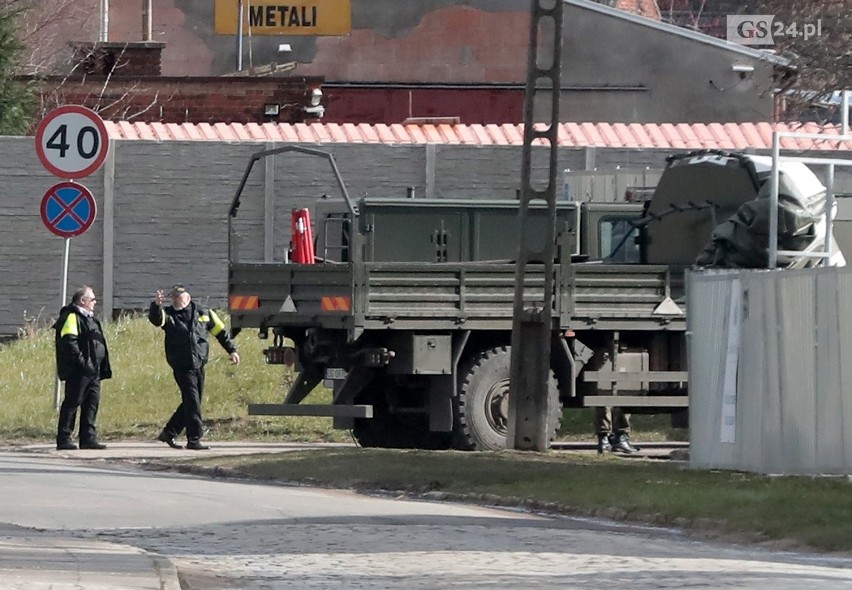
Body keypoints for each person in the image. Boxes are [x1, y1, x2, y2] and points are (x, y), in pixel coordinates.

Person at [149, 284, 239, 450]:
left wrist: (232, 350)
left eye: (180, 297)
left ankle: (169, 432)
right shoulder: (168, 315)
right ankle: (194, 439)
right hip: (181, 366)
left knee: (192, 402)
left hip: (198, 364)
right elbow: (156, 319)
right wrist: (156, 305)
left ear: (188, 298)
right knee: (193, 401)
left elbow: (220, 332)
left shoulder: (203, 313)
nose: (176, 299)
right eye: (174, 297)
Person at [54, 286, 112, 450]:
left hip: (94, 370)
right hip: (79, 371)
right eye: (92, 299)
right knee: (73, 402)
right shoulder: (72, 316)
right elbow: (69, 342)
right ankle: (64, 438)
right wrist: (83, 363)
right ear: (82, 301)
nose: (95, 302)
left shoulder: (90, 318)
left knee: (91, 404)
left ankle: (88, 438)